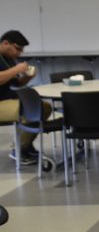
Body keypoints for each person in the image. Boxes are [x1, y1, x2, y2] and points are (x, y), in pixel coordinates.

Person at [0, 30, 51, 165]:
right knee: (33, 109)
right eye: (17, 49)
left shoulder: (8, 59)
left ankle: (25, 146)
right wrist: (16, 69)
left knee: (43, 107)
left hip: (9, 98)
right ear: (5, 43)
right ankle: (19, 150)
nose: (20, 53)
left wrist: (28, 77)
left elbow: (15, 83)